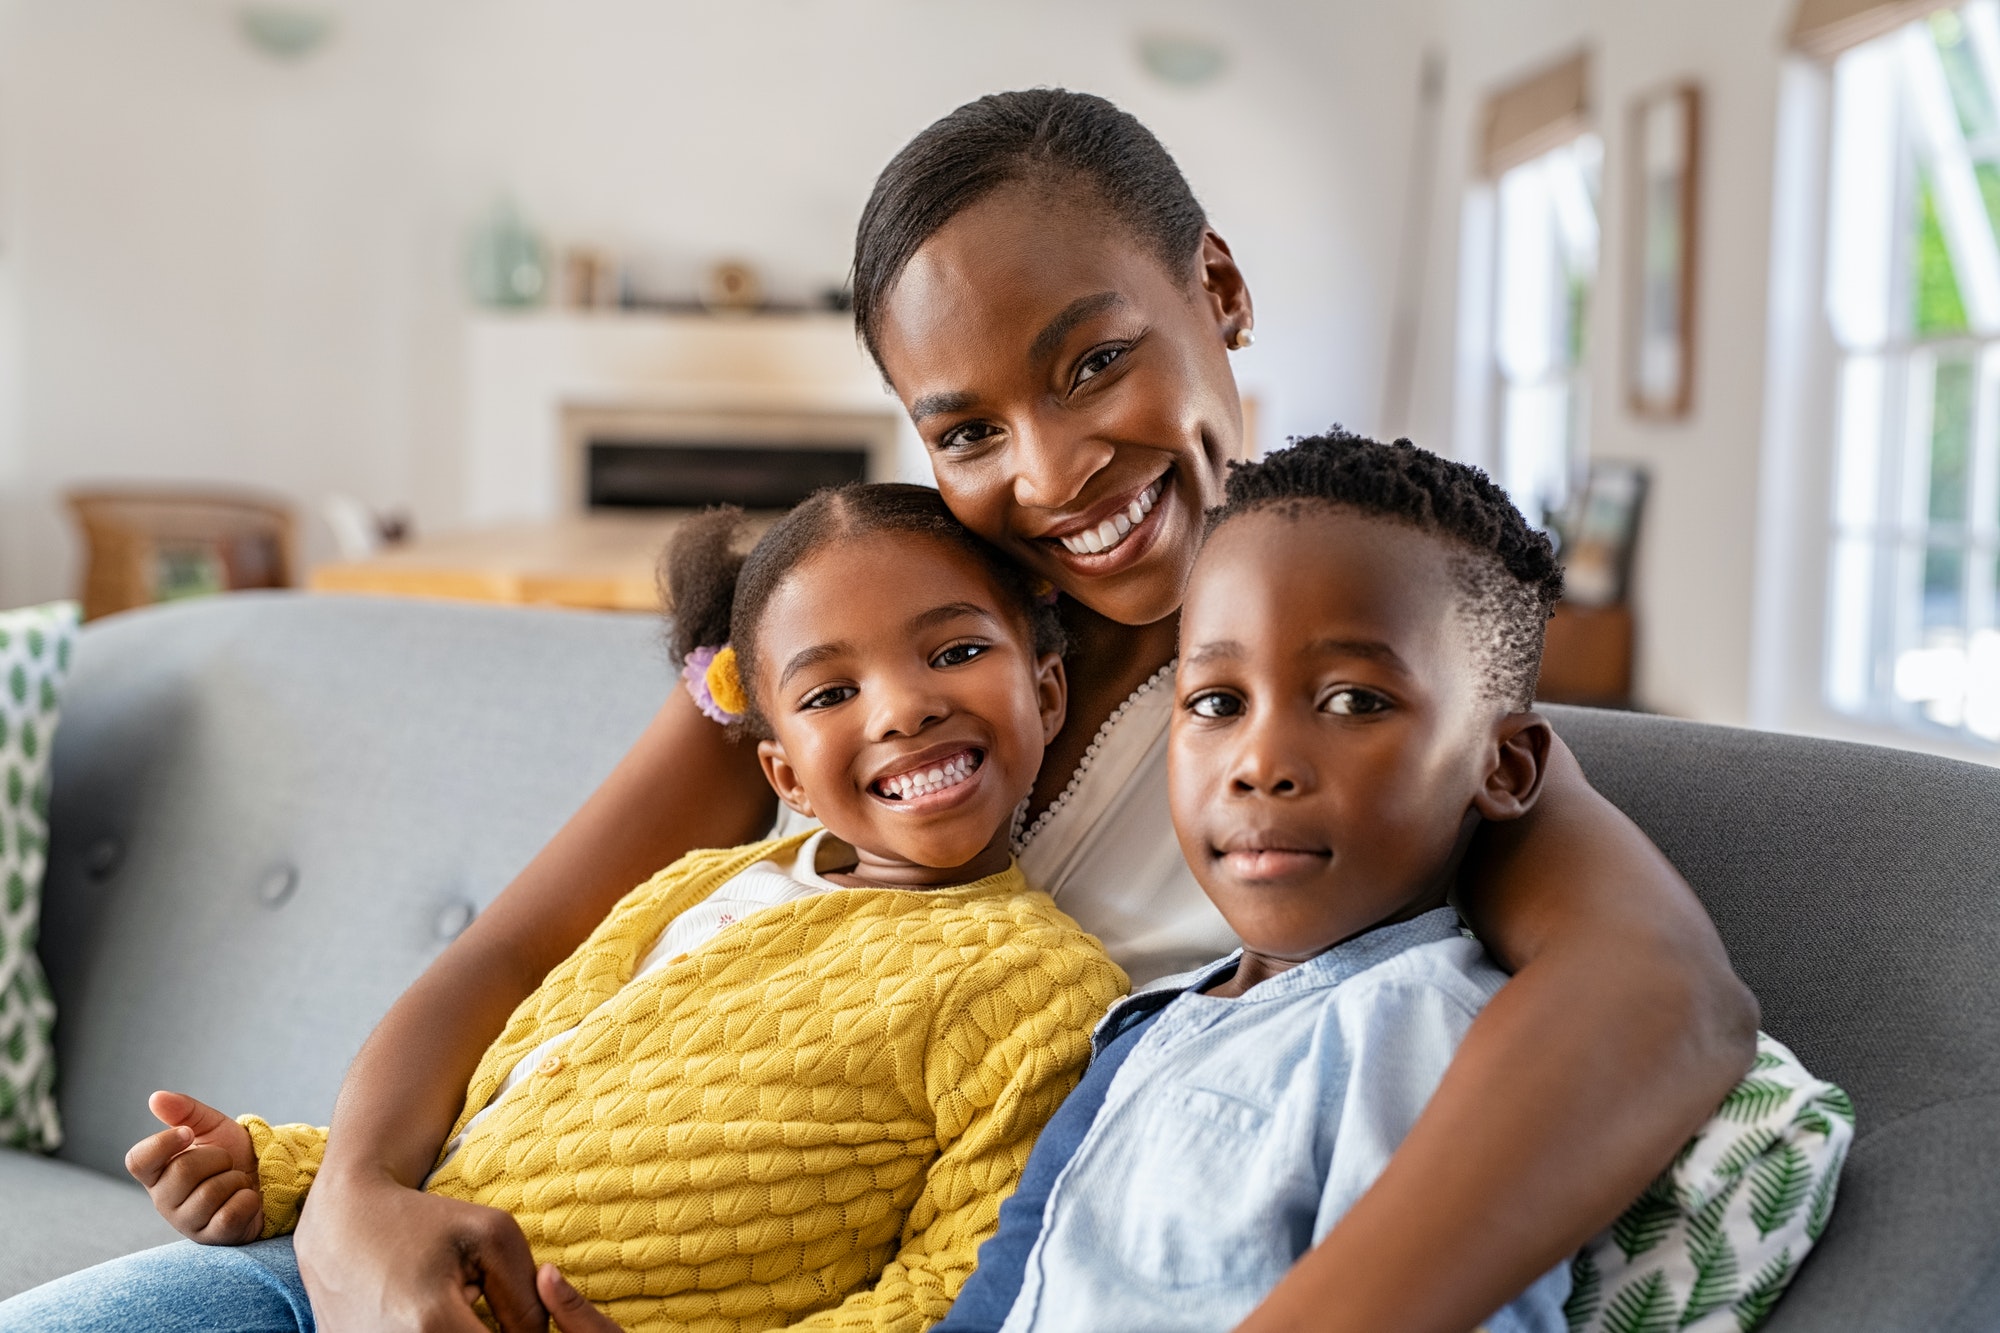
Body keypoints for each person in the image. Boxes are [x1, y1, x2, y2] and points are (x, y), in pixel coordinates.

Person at [294, 91, 1760, 1333]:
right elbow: (524, 939)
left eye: (1097, 361)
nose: (1054, 473)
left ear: (1222, 292)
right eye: (970, 430)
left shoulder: (1364, 684)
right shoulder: (877, 631)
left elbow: (1665, 1000)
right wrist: (352, 1207)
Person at [0, 485, 1127, 1332]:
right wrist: (287, 1168)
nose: (903, 707)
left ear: (1045, 683)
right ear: (779, 772)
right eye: (833, 691)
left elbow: (950, 1292)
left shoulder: (1040, 985)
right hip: (312, 1289)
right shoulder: (703, 884)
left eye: (956, 650)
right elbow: (516, 1111)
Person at [942, 431, 1574, 1333]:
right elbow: (1007, 1282)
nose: (1260, 762)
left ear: (1503, 766)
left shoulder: (1415, 1027)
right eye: (1217, 703)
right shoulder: (1154, 1015)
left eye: (1353, 701)